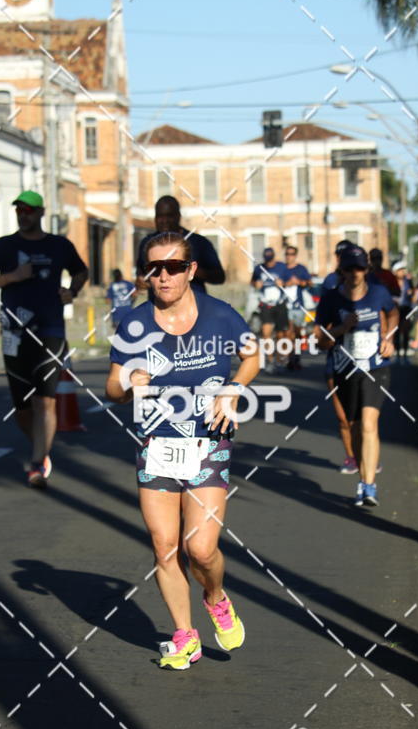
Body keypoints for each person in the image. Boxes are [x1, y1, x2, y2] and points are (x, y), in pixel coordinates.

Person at [106, 231, 259, 670]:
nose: (164, 276)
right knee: (165, 547)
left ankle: (215, 597)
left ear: (191, 270)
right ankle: (185, 636)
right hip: (157, 444)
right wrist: (126, 384)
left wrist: (232, 389)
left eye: (173, 267)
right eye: (155, 268)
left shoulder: (221, 316)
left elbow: (252, 357)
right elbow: (112, 385)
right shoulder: (135, 324)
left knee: (202, 548)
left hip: (208, 440)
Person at [0, 190, 89, 489]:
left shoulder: (59, 245)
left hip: (50, 330)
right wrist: (12, 277)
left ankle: (38, 461)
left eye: (29, 210)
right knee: (23, 409)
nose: (24, 214)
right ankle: (40, 444)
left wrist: (72, 292)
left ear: (41, 212)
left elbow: (81, 271)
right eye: (20, 210)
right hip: (14, 334)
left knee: (46, 402)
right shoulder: (4, 246)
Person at [314, 245, 398, 506]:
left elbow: (394, 312)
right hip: (344, 369)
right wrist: (341, 328)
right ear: (342, 270)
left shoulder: (378, 293)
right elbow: (320, 341)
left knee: (370, 423)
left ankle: (370, 486)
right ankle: (363, 478)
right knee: (353, 426)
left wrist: (389, 338)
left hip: (375, 367)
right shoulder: (330, 298)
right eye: (349, 268)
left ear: (367, 269)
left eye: (359, 268)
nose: (355, 273)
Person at [136, 195, 225, 295]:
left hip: (195, 305)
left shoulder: (199, 242)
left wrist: (186, 268)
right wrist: (141, 281)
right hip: (158, 306)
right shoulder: (147, 243)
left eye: (169, 216)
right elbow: (141, 272)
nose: (165, 221)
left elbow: (220, 277)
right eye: (160, 216)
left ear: (178, 216)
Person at [320, 240, 357, 473]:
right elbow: (322, 328)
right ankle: (351, 456)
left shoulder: (370, 286)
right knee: (343, 417)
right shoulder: (330, 286)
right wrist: (339, 328)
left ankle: (367, 455)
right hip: (337, 356)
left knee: (364, 418)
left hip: (366, 360)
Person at [251, 247, 288, 373]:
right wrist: (256, 284)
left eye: (271, 260)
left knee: (280, 334)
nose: (269, 263)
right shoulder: (259, 268)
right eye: (267, 260)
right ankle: (270, 360)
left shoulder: (282, 267)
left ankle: (280, 359)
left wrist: (283, 283)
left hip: (280, 304)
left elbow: (290, 281)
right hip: (265, 304)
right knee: (266, 334)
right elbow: (252, 281)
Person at [283, 245, 311, 370]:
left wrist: (299, 282)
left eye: (292, 254)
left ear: (295, 255)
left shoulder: (301, 269)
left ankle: (297, 357)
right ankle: (290, 359)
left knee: (298, 333)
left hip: (299, 306)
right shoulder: (282, 269)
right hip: (285, 305)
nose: (289, 256)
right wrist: (286, 283)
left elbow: (309, 283)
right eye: (287, 254)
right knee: (289, 333)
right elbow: (276, 283)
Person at [392, 262, 413, 362]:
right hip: (396, 309)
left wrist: (412, 294)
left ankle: (404, 354)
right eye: (400, 270)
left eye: (403, 270)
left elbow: (412, 294)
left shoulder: (408, 281)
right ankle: (397, 354)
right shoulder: (392, 281)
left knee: (405, 331)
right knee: (396, 331)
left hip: (406, 308)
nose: (402, 272)